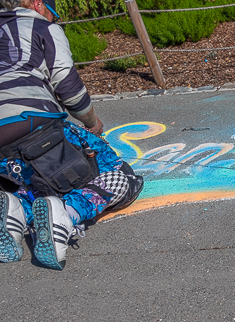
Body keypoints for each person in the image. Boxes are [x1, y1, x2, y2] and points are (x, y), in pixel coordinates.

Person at [0, 0, 143, 270]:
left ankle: (15, 211)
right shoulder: (41, 27)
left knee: (29, 183)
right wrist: (92, 122)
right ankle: (65, 216)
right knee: (120, 176)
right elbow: (68, 86)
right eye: (53, 14)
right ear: (36, 3)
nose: (54, 20)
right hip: (34, 124)